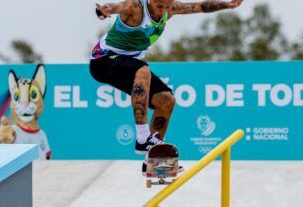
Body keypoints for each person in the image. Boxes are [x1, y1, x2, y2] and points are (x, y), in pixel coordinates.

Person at [90, 0, 243, 173]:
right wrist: (104, 10)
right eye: (159, 7)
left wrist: (227, 5)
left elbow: (200, 7)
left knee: (166, 100)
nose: (162, 12)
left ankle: (155, 163)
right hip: (102, 60)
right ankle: (142, 138)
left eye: (166, 8)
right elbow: (115, 6)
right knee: (143, 71)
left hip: (127, 62)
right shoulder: (135, 7)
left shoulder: (170, 8)